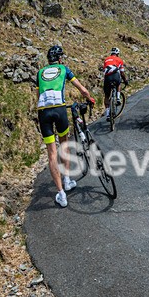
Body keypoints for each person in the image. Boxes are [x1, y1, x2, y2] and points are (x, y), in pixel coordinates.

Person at [36, 45, 94, 207]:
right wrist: (89, 98)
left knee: (52, 153)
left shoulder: (39, 73)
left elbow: (38, 95)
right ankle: (67, 180)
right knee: (64, 145)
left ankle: (61, 194)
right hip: (60, 110)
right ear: (60, 59)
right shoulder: (64, 69)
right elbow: (82, 89)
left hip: (44, 113)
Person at [100, 47, 128, 121]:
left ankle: (108, 114)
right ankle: (118, 98)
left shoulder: (106, 59)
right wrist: (125, 80)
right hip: (115, 76)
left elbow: (104, 70)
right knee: (118, 83)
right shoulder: (119, 60)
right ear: (118, 54)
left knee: (106, 96)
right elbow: (122, 72)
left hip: (107, 77)